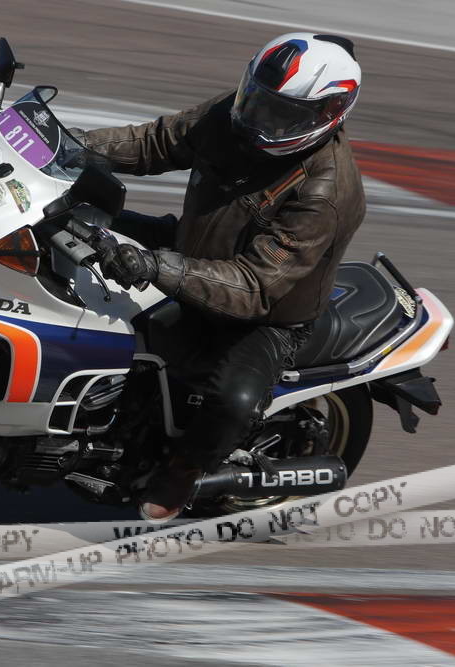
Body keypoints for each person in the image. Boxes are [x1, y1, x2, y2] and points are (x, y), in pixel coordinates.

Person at [76, 32, 367, 522]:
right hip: (189, 252)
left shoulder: (326, 191)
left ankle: (185, 468)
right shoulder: (239, 115)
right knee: (75, 216)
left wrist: (155, 266)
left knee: (233, 400)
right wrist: (71, 146)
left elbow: (254, 286)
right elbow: (156, 141)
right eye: (257, 99)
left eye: (282, 113)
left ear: (328, 113)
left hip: (265, 315)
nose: (260, 119)